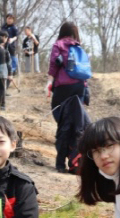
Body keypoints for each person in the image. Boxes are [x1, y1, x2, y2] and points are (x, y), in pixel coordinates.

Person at [46, 21, 90, 174]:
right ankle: (75, 161)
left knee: (64, 123)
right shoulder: (78, 47)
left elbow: (53, 64)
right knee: (77, 123)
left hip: (63, 87)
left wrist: (49, 83)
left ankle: (60, 163)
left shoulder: (58, 45)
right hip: (79, 87)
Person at [1, 14, 19, 79]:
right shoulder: (3, 27)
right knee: (4, 57)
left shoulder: (14, 27)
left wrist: (12, 39)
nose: (9, 20)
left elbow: (16, 36)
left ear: (13, 20)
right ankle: (6, 70)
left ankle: (13, 70)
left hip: (11, 44)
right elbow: (0, 34)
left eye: (11, 19)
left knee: (13, 56)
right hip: (3, 44)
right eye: (8, 18)